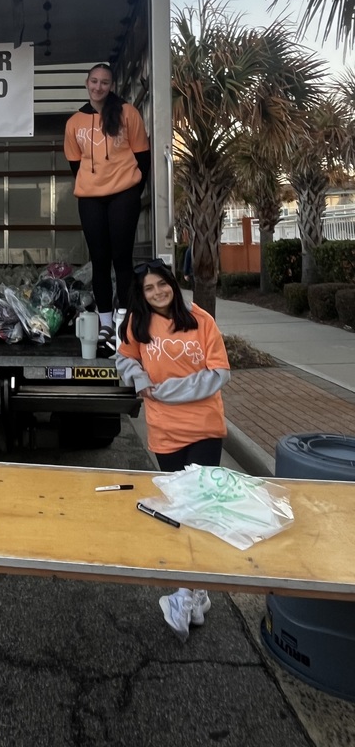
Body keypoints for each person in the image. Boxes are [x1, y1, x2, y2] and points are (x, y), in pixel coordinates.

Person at [115, 258, 230, 642]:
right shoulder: (138, 323)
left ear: (172, 283)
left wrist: (166, 392)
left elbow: (218, 373)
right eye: (148, 289)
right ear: (142, 294)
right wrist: (139, 379)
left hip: (204, 429)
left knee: (196, 509)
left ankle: (184, 592)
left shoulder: (201, 320)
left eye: (161, 284)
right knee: (180, 510)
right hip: (165, 433)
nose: (157, 293)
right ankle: (196, 591)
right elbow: (124, 357)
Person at [64, 62, 150, 348]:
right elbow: (75, 164)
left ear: (111, 85)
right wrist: (92, 185)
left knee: (122, 258)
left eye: (104, 82)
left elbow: (143, 157)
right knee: (99, 260)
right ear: (87, 83)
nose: (98, 87)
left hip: (124, 194)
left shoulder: (128, 113)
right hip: (90, 198)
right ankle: (104, 324)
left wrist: (132, 190)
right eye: (94, 81)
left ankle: (123, 322)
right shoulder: (75, 122)